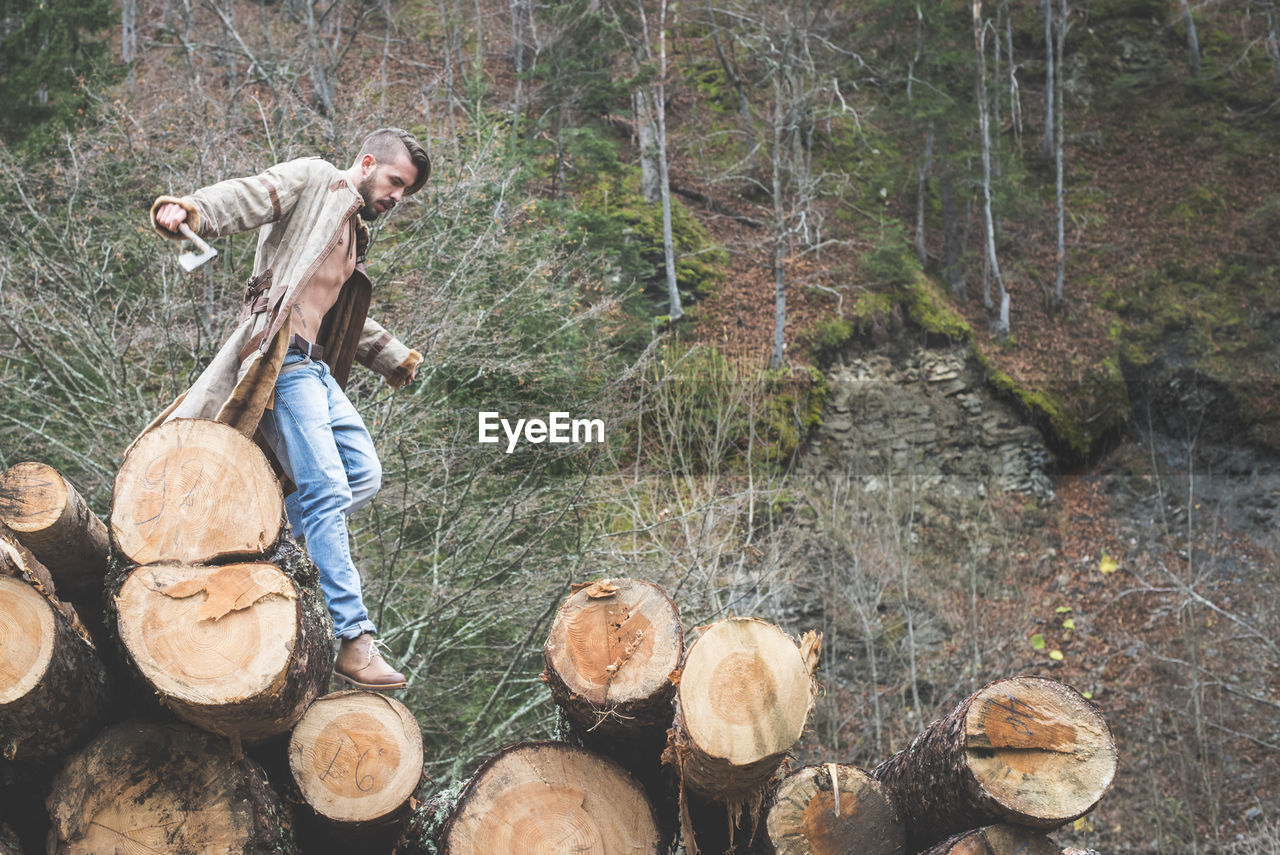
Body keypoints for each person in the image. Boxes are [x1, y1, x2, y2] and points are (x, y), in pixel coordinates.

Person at [148, 128, 430, 690]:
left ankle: (270, 551)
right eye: (396, 182)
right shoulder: (316, 181)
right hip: (281, 359)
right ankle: (355, 640)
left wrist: (393, 356)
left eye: (407, 192)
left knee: (362, 476)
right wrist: (191, 208)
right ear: (368, 162)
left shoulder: (353, 234)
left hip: (317, 367)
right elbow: (254, 194)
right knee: (325, 486)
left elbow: (332, 310)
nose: (398, 196)